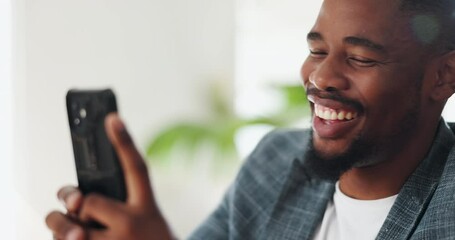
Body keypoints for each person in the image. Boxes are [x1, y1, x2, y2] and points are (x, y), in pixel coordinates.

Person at [46, 0, 455, 239]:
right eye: (316, 50)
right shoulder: (274, 163)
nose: (321, 77)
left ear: (442, 76)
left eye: (360, 58)